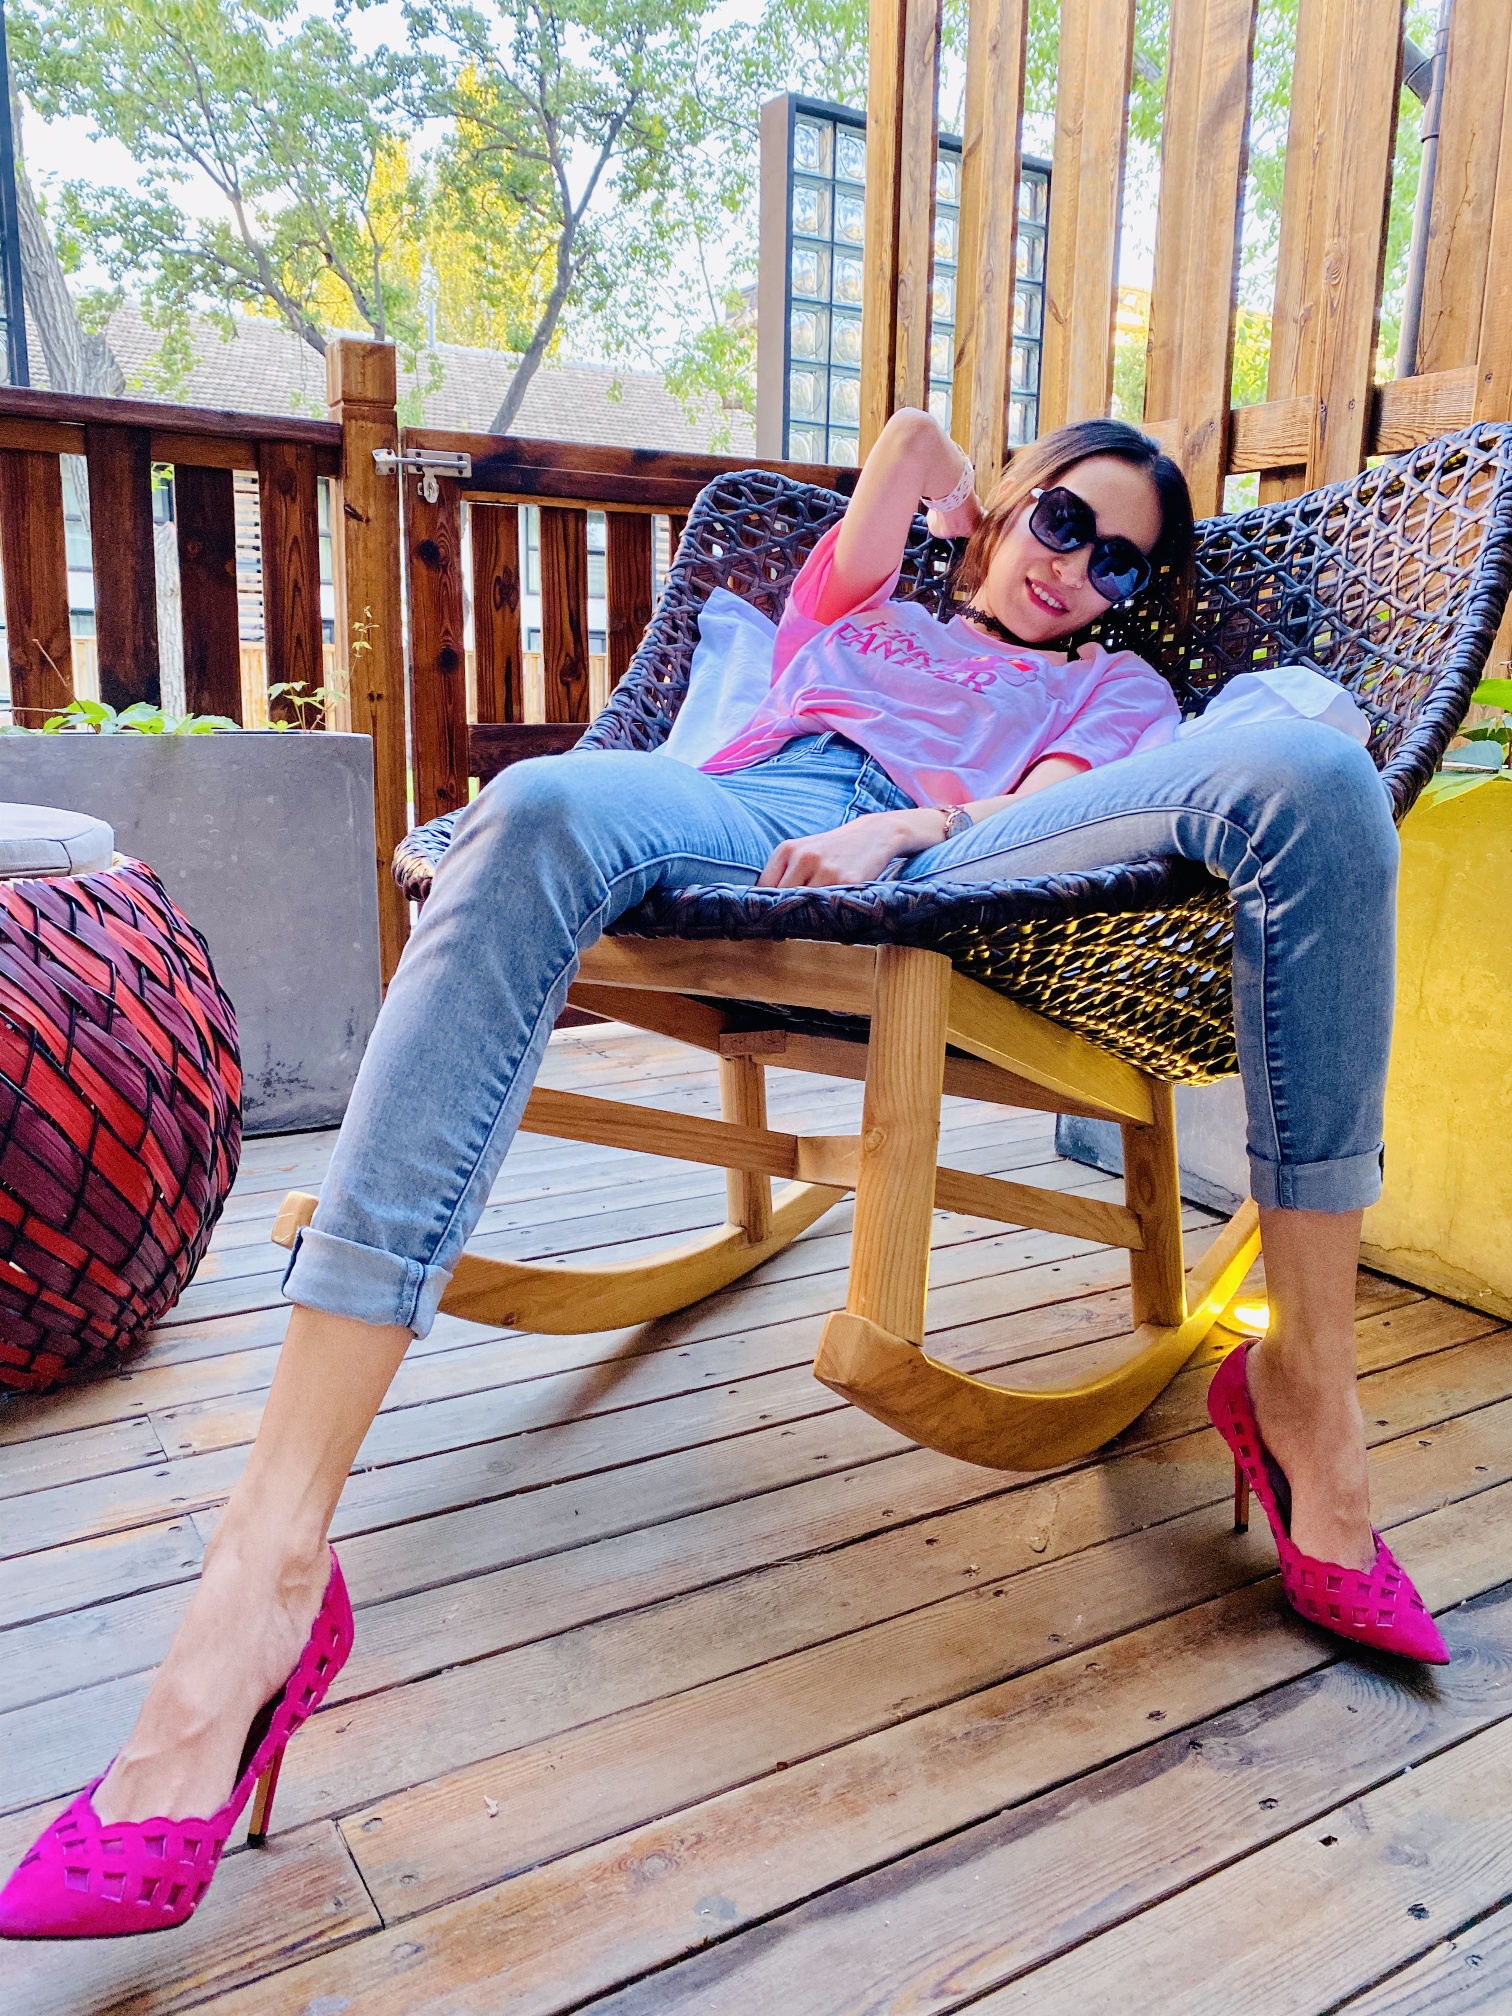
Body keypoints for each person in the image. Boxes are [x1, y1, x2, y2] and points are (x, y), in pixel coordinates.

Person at [0, 408, 1443, 1943]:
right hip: (754, 804)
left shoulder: (1116, 685)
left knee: (1316, 771)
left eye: (1123, 565)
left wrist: (911, 827)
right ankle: (267, 1565)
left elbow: (1048, 807)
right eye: (1064, 521)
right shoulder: (865, 612)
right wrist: (952, 492)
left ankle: (1306, 1398)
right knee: (536, 804)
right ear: (1011, 505)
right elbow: (903, 452)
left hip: (964, 846)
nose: (1080, 568)